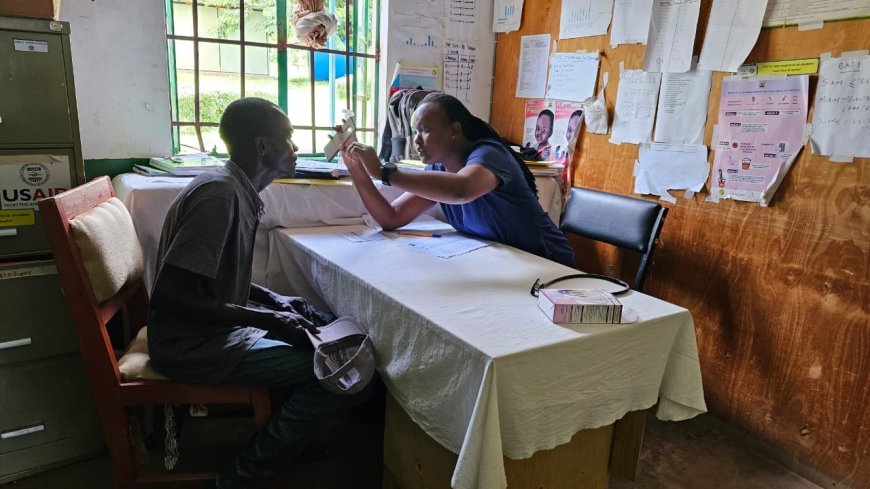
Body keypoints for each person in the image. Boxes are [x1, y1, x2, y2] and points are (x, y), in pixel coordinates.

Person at [147, 97, 340, 489]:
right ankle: (241, 478)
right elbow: (172, 295)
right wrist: (269, 319)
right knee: (326, 374)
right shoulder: (220, 197)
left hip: (208, 335)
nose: (295, 148)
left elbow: (213, 277)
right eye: (288, 139)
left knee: (318, 328)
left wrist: (276, 301)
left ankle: (285, 441)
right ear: (261, 146)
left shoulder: (234, 187)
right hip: (190, 347)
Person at [340, 92, 575, 268]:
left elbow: (461, 190)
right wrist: (358, 171)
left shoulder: (489, 155)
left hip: (545, 263)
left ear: (454, 130)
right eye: (414, 133)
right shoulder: (438, 168)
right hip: (504, 264)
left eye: (425, 130)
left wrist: (384, 172)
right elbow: (390, 218)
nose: (417, 141)